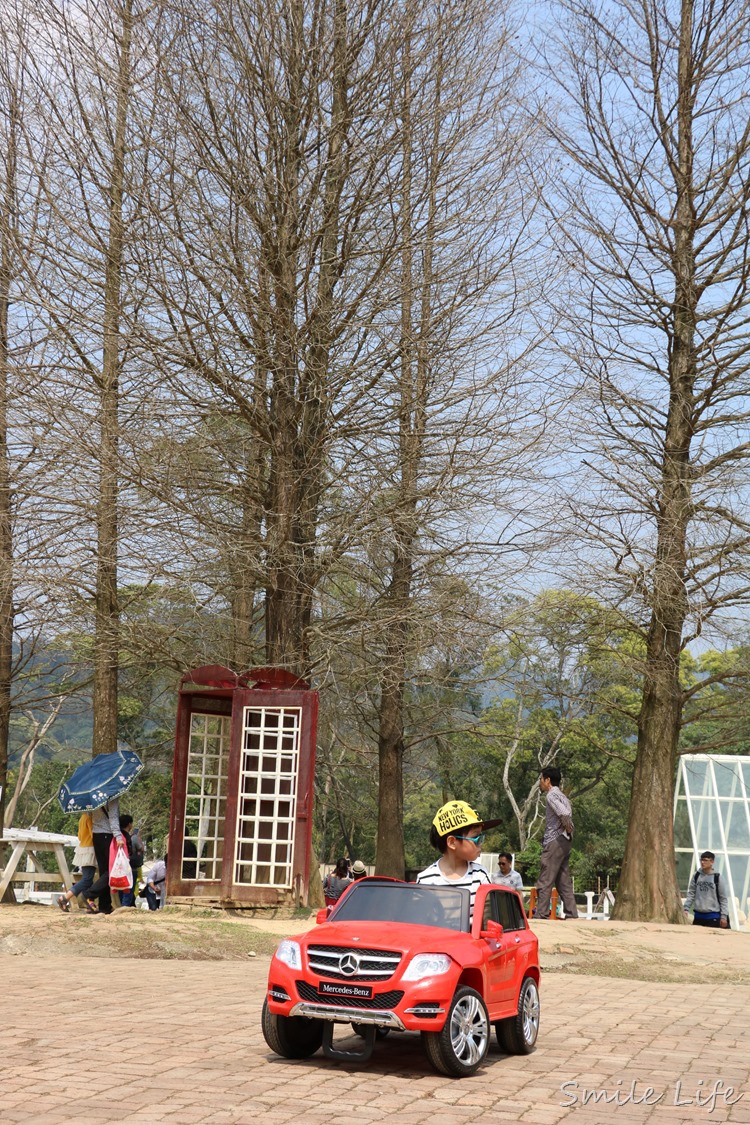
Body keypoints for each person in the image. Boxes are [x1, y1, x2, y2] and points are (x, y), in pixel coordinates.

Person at [415, 800, 501, 921]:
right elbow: (420, 922)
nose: (480, 844)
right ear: (452, 842)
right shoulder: (426, 880)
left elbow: (489, 919)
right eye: (476, 837)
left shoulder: (480, 875)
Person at [535, 767, 578, 919]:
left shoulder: (551, 796)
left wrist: (566, 828)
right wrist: (568, 832)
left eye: (541, 779)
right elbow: (567, 813)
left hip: (555, 841)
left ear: (548, 780)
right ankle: (572, 915)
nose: (540, 782)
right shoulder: (563, 796)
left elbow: (564, 814)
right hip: (565, 841)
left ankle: (541, 915)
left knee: (545, 879)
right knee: (563, 881)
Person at [84, 798, 126, 915]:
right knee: (111, 870)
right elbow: (113, 818)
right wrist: (118, 836)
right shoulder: (112, 797)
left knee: (104, 872)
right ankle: (89, 894)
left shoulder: (94, 797)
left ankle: (105, 905)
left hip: (96, 835)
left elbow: (89, 814)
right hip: (108, 835)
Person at [57, 811, 96, 912]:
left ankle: (90, 904)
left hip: (82, 848)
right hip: (89, 849)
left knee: (89, 879)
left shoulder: (82, 817)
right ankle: (65, 898)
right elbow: (93, 835)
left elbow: (79, 836)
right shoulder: (89, 817)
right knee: (87, 879)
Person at [684, 851, 729, 928]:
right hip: (698, 916)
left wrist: (724, 916)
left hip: (713, 917)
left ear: (712, 862)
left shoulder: (718, 878)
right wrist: (686, 908)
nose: (702, 862)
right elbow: (691, 893)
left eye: (705, 860)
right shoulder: (696, 875)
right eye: (701, 860)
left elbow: (723, 899)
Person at [117, 815, 137, 907]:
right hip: (128, 866)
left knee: (121, 887)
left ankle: (122, 905)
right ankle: (125, 906)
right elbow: (129, 852)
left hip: (118, 866)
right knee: (128, 888)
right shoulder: (126, 836)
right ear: (129, 824)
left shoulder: (117, 836)